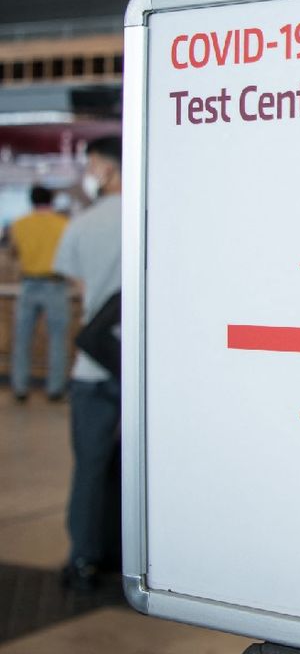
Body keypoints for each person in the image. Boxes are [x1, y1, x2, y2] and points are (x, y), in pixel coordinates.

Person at [53, 136, 124, 592]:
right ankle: (127, 555)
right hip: (146, 375)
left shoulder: (84, 223)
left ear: (102, 166)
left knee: (91, 467)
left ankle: (83, 558)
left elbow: (80, 290)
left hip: (95, 367)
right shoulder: (159, 215)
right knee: (137, 470)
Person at [8, 185, 70, 403]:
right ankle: (55, 388)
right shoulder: (63, 224)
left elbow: (13, 252)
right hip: (55, 284)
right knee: (57, 338)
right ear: (51, 200)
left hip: (28, 283)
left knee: (22, 338)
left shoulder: (19, 224)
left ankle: (19, 387)